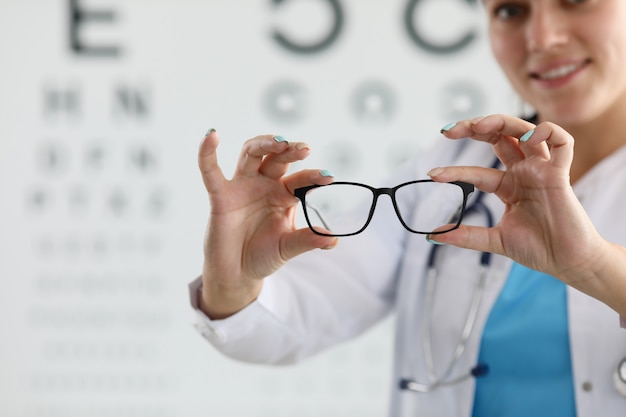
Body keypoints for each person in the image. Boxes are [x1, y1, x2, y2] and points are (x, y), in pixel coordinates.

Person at [189, 0, 626, 415]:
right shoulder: (444, 177)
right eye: (510, 10)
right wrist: (236, 283)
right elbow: (297, 315)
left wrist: (594, 266)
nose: (542, 37)